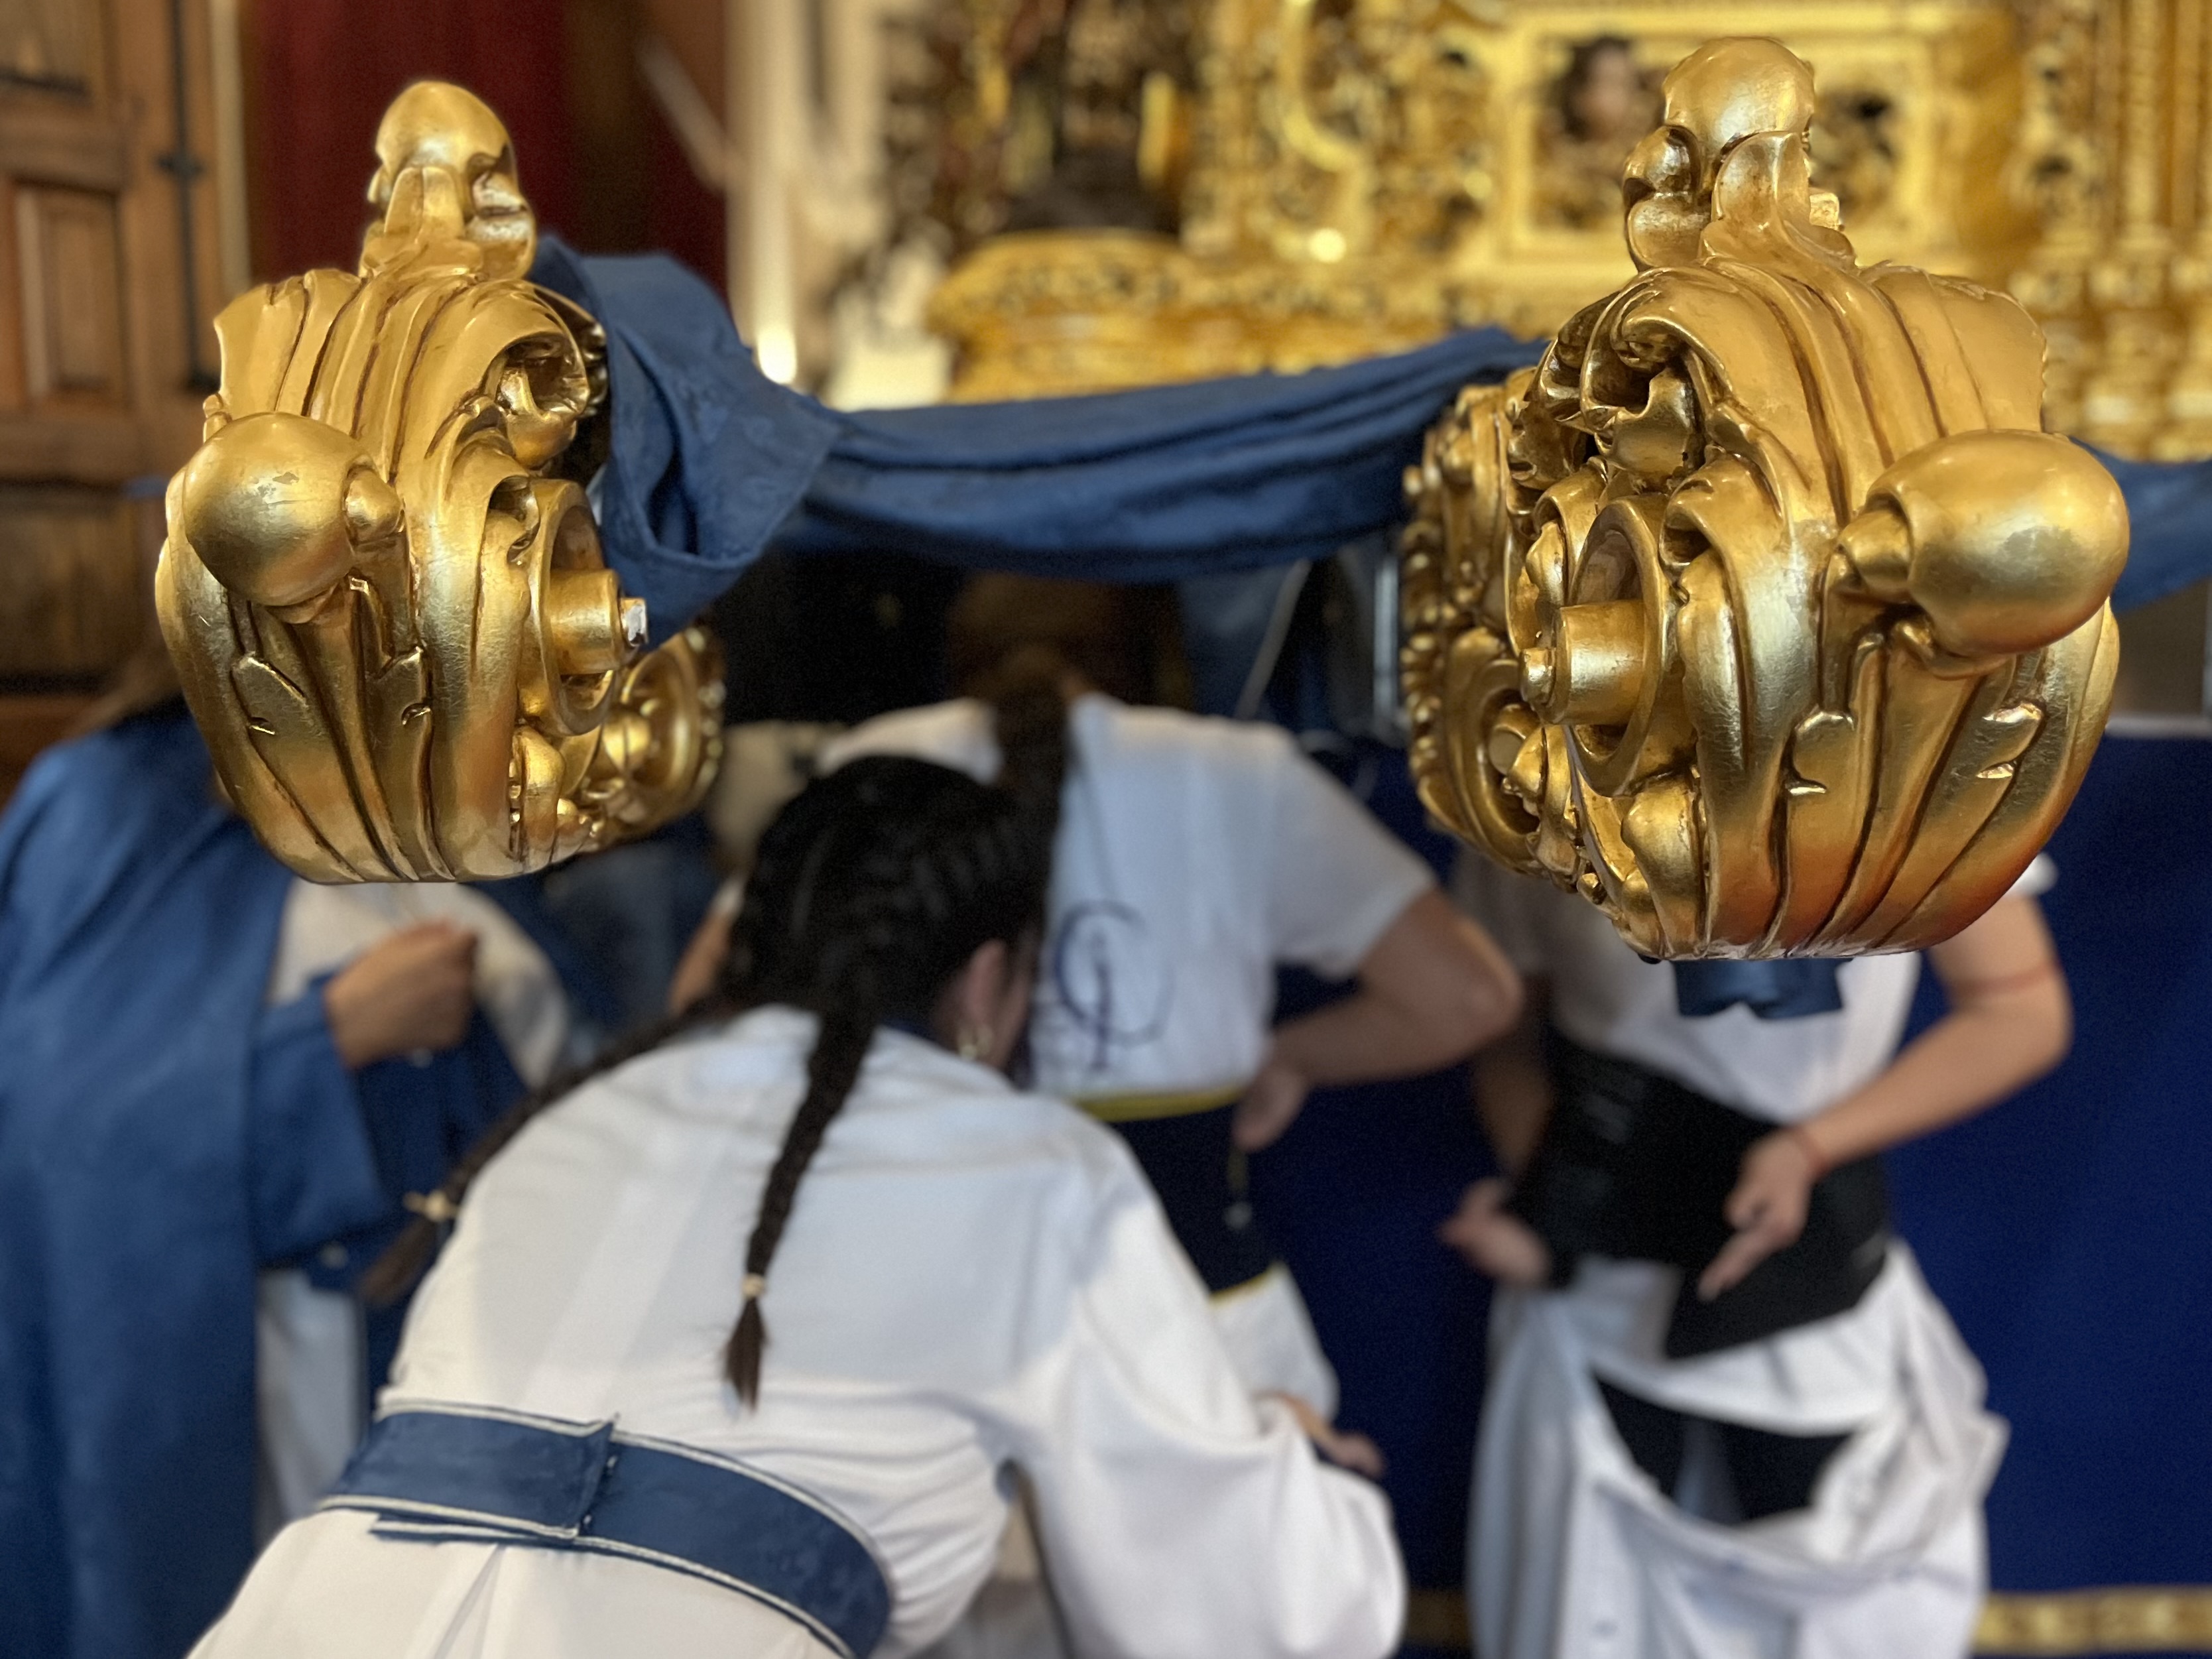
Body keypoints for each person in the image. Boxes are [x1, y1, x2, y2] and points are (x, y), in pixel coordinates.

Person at [192, 756, 1406, 1659]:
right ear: (990, 976)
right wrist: (1293, 1459)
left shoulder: (578, 1111)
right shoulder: (1032, 1160)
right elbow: (1242, 1610)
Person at [792, 574, 1522, 1417]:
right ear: (1153, 652)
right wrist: (1286, 1060)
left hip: (925, 1327)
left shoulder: (874, 766)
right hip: (1202, 1341)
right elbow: (1469, 996)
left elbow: (720, 993)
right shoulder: (1238, 772)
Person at [0, 641, 575, 1659]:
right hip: (225, 1378)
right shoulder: (106, 803)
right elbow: (59, 1151)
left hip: (416, 1356)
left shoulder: (443, 789)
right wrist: (330, 1041)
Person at [1443, 854, 2071, 1659]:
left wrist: (1812, 1150)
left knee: (1841, 1589)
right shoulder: (1541, 794)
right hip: (1598, 1287)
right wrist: (1551, 1207)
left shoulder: (1918, 798)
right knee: (1593, 1594)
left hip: (1813, 1287)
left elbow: (2019, 1009)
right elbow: (1502, 1032)